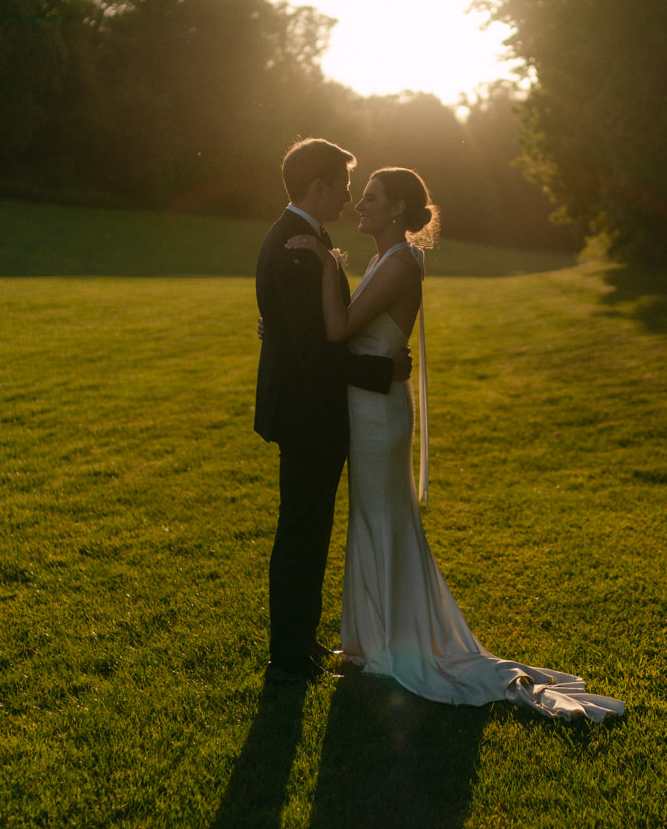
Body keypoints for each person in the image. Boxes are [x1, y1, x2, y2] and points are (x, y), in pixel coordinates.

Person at [286, 166, 624, 721]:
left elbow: (339, 328)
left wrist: (326, 264)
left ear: (398, 209)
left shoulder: (398, 264)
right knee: (372, 517)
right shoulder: (381, 260)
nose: (360, 205)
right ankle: (372, 636)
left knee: (382, 518)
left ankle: (393, 641)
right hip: (368, 408)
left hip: (378, 417)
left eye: (370, 198)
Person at [254, 138, 409, 683]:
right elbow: (315, 352)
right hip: (306, 413)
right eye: (343, 186)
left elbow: (303, 330)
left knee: (310, 529)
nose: (348, 197)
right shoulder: (296, 246)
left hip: (309, 410)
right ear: (317, 186)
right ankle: (288, 658)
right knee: (301, 531)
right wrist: (381, 371)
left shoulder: (304, 238)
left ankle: (300, 643)